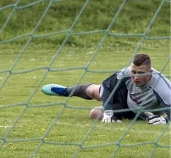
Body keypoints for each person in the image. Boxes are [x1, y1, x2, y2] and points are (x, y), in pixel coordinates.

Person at [42, 53, 170, 125]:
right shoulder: (126, 73)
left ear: (150, 73)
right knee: (94, 91)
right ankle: (66, 91)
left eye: (140, 73)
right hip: (126, 94)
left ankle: (116, 119)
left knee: (94, 113)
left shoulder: (163, 87)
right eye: (133, 72)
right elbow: (107, 86)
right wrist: (108, 111)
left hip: (138, 113)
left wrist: (165, 120)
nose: (135, 77)